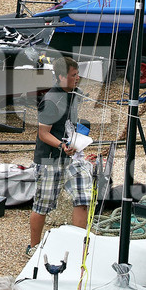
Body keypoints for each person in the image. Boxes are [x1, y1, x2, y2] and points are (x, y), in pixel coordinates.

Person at [27, 55, 94, 253]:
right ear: (61, 77)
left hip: (72, 157)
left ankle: (78, 248)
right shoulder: (50, 101)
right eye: (74, 75)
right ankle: (33, 247)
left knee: (84, 197)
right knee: (43, 205)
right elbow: (43, 133)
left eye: (78, 74)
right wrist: (62, 145)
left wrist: (79, 138)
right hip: (50, 159)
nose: (78, 78)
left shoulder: (75, 93)